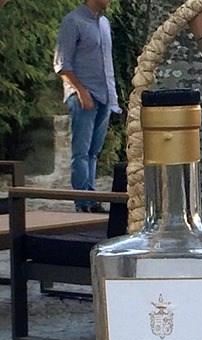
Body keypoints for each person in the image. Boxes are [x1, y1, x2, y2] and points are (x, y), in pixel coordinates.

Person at [54, 0, 121, 213]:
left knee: (93, 152)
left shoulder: (104, 23)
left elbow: (107, 64)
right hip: (83, 95)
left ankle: (91, 199)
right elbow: (62, 64)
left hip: (104, 96)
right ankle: (83, 202)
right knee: (81, 152)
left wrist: (112, 98)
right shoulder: (73, 21)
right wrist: (81, 91)